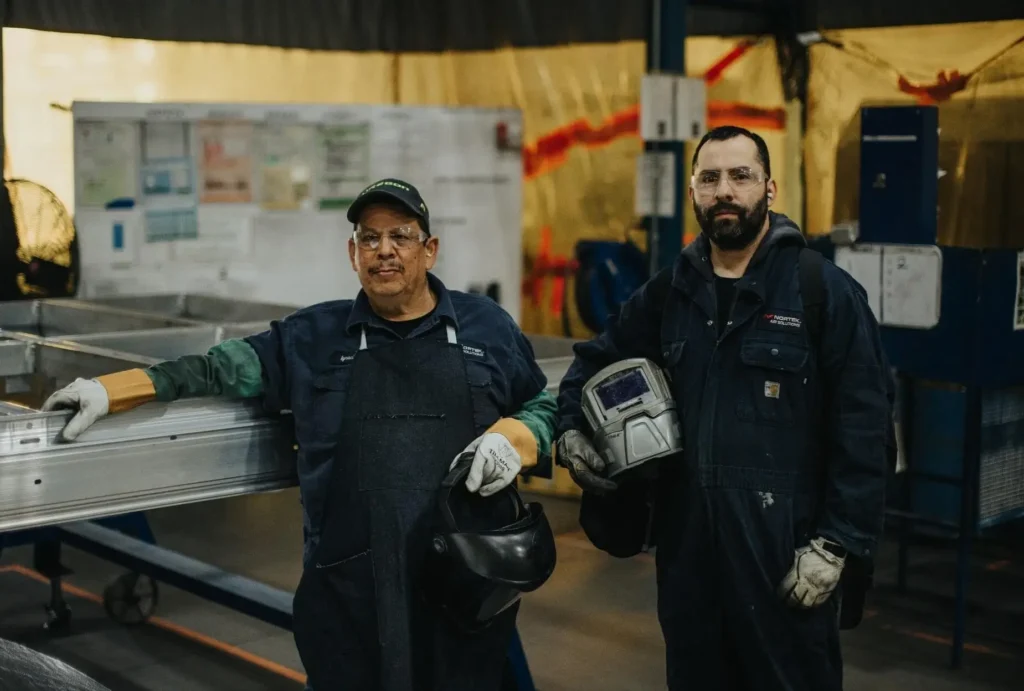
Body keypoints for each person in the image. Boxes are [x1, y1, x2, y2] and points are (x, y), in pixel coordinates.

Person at [42, 178, 558, 691]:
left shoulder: (485, 327)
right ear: (351, 253)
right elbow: (216, 368)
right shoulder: (312, 338)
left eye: (400, 236)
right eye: (369, 238)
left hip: (462, 589)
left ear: (430, 249)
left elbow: (544, 403)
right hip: (350, 597)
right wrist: (116, 390)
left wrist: (517, 437)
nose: (384, 252)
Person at [554, 126, 893, 690]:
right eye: (710, 178)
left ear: (769, 188)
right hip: (690, 561)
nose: (724, 191)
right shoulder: (668, 295)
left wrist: (837, 543)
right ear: (693, 192)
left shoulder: (821, 292)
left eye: (740, 175)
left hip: (785, 559)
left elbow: (866, 428)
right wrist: (572, 432)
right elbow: (590, 364)